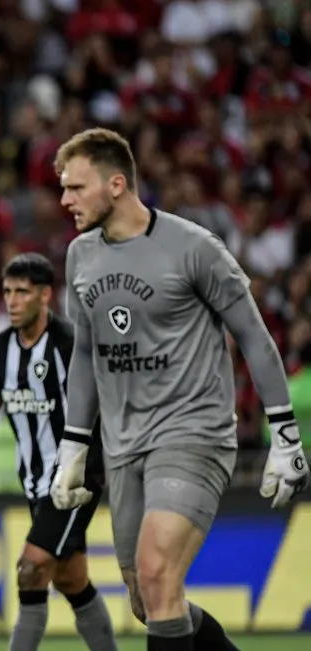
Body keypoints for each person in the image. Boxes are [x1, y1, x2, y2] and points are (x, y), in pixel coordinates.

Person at [51, 128, 310, 651]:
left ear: (117, 184)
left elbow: (255, 339)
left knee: (157, 571)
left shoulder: (193, 248)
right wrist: (75, 444)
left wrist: (285, 435)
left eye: (77, 188)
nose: (65, 200)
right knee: (148, 600)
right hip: (123, 447)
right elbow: (84, 353)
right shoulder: (80, 257)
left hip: (192, 433)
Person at [0, 253, 118, 651]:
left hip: (74, 478)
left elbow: (107, 400)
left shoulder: (69, 344)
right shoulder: (1, 347)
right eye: (7, 292)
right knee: (71, 580)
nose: (13, 301)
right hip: (35, 482)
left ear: (45, 295)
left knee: (30, 568)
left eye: (22, 292)